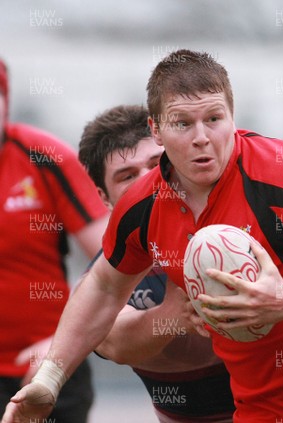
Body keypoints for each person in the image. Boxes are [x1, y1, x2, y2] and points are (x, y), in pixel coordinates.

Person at [1, 49, 283, 423]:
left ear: (232, 115)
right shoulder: (143, 205)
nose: (201, 137)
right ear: (155, 130)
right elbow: (104, 288)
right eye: (182, 123)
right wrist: (50, 380)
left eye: (214, 118)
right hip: (259, 410)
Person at [78, 104, 235, 422]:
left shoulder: (241, 230)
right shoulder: (105, 277)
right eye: (127, 176)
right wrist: (174, 312)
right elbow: (114, 341)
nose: (147, 183)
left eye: (156, 164)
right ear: (104, 198)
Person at [0, 58, 109, 422]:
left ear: (5, 100)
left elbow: (119, 262)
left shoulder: (43, 158)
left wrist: (59, 349)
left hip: (48, 368)